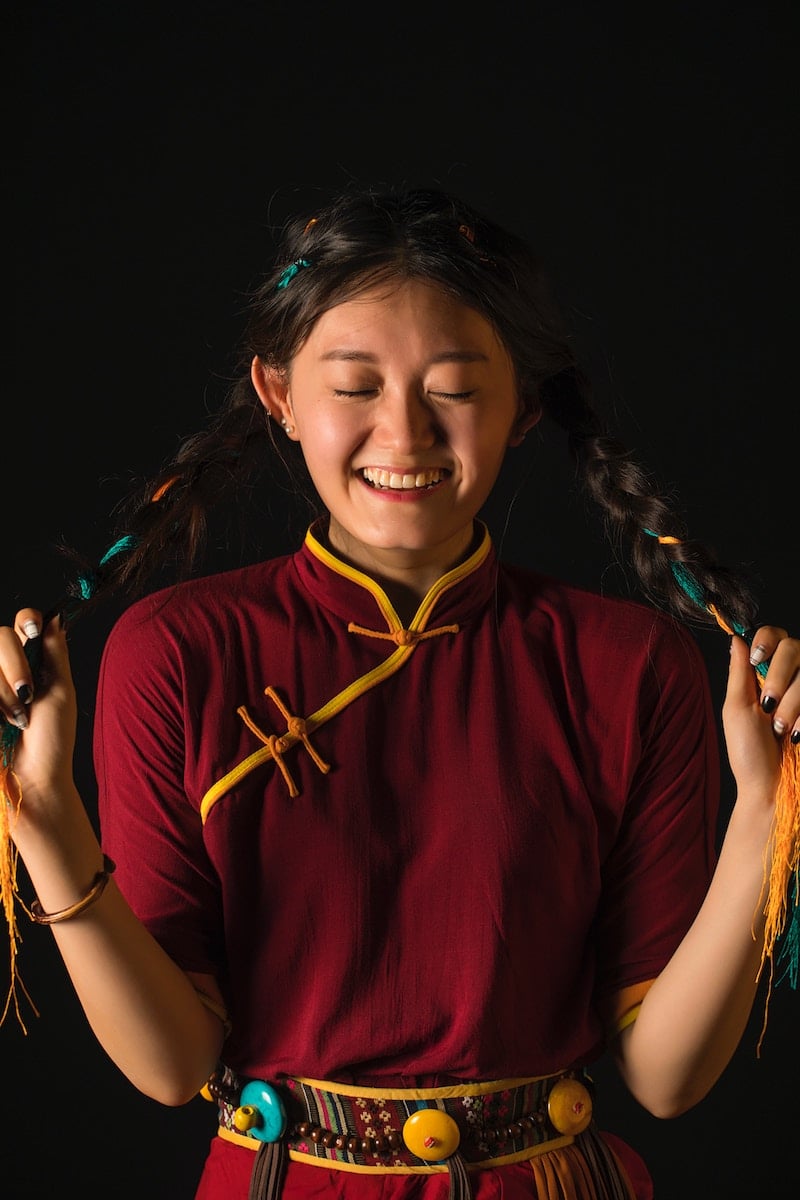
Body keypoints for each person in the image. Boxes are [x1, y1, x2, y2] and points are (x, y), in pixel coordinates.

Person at [0, 185, 797, 1200]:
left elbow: (664, 1075)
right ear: (279, 395)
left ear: (522, 409)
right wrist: (45, 816)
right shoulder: (177, 651)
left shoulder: (629, 662)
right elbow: (171, 1066)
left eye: (454, 388)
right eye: (354, 386)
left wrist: (764, 807)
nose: (404, 432)